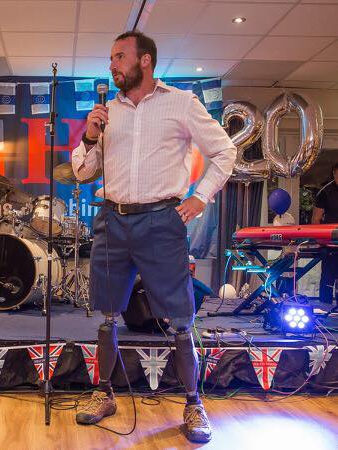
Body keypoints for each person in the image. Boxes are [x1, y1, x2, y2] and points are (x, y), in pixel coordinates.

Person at [71, 31, 236, 443]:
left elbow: (225, 152)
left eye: (119, 56)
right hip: (113, 220)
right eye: (111, 57)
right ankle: (103, 393)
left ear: (144, 61)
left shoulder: (181, 104)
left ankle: (193, 404)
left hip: (162, 222)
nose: (112, 64)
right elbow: (81, 171)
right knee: (108, 314)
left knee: (181, 318)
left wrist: (200, 197)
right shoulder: (107, 111)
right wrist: (90, 137)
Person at [312, 162, 338, 304]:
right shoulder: (324, 192)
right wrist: (318, 241)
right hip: (330, 241)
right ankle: (324, 306)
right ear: (334, 173)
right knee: (328, 276)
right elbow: (316, 219)